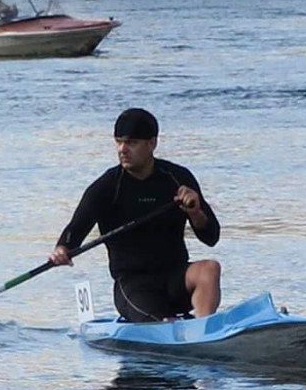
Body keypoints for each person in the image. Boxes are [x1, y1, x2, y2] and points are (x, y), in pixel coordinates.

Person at [49, 108, 221, 323]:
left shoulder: (177, 178)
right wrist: (62, 249)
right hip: (134, 286)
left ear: (152, 143)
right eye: (119, 142)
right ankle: (172, 326)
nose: (122, 149)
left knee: (210, 268)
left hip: (176, 278)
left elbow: (211, 237)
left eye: (131, 143)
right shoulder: (107, 187)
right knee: (165, 322)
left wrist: (195, 213)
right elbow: (74, 232)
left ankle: (204, 329)